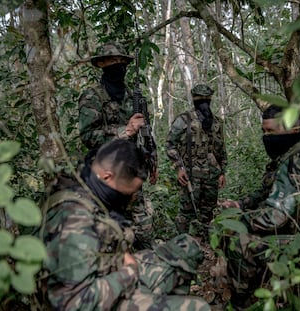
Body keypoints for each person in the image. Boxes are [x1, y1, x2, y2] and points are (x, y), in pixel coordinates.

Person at [39, 139, 210, 311]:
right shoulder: (76, 222)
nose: (133, 198)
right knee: (198, 307)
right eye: (129, 193)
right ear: (107, 176)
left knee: (187, 247)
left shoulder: (84, 176)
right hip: (92, 295)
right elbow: (72, 304)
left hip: (108, 269)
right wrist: (128, 273)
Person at [219, 104, 300, 309]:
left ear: (293, 129)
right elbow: (268, 191)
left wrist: (242, 219)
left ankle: (240, 303)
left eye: (272, 131)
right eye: (264, 131)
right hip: (297, 231)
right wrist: (240, 204)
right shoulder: (290, 154)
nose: (267, 137)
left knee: (238, 239)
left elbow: (275, 217)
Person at [78, 41, 158, 249]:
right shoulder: (92, 96)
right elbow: (87, 136)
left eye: (122, 61)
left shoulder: (134, 97)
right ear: (102, 64)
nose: (118, 65)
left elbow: (146, 134)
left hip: (131, 172)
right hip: (105, 175)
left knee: (144, 230)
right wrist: (125, 131)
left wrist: (151, 161)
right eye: (113, 61)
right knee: (108, 232)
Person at [165, 83, 227, 240]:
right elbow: (170, 145)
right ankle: (181, 243)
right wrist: (179, 168)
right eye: (200, 99)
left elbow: (221, 149)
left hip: (212, 175)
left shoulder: (217, 122)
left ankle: (208, 243)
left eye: (207, 98)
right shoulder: (184, 120)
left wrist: (222, 172)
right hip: (190, 175)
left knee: (209, 210)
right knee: (186, 212)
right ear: (193, 99)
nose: (204, 101)